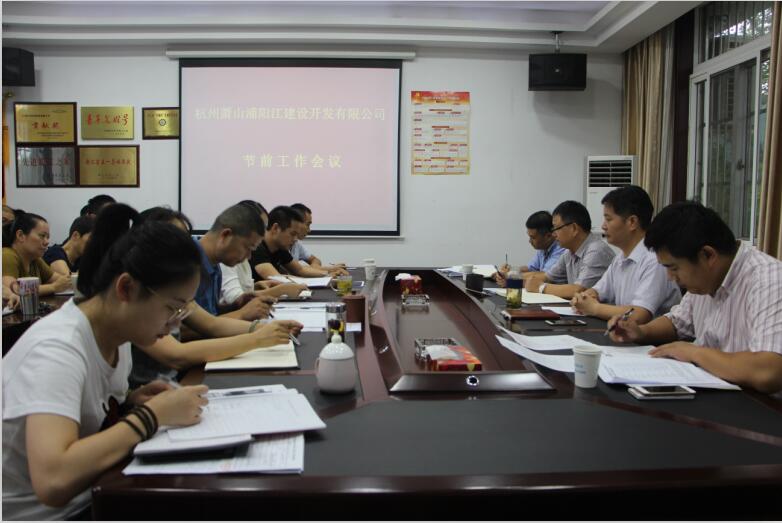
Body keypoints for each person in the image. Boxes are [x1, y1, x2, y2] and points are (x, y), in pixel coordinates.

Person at [2, 203, 208, 520]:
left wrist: (130, 402)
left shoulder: (116, 334)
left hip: (99, 491)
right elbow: (53, 481)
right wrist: (151, 416)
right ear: (126, 288)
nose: (175, 325)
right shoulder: (56, 349)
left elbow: (89, 410)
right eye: (172, 308)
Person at [608, 202, 782, 395]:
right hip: (718, 394)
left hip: (760, 406)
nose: (670, 277)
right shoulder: (703, 280)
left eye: (674, 268)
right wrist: (641, 332)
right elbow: (677, 323)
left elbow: (769, 371)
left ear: (708, 255)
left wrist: (694, 352)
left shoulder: (768, 280)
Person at [128, 206, 302, 388]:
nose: (187, 249)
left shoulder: (168, 285)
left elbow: (212, 324)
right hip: (156, 389)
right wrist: (257, 338)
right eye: (176, 243)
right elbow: (177, 354)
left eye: (185, 240)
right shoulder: (138, 294)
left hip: (168, 386)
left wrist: (264, 328)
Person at [570, 186, 680, 323]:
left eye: (609, 219)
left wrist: (594, 308)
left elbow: (638, 315)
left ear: (632, 222)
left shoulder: (654, 260)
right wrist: (585, 297)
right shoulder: (620, 258)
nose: (603, 226)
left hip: (650, 335)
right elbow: (598, 291)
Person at [220, 201, 306, 311]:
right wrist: (280, 291)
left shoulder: (242, 252)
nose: (264, 232)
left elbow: (240, 291)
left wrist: (255, 286)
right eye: (260, 228)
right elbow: (235, 299)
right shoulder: (225, 255)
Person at [525, 201, 615, 299]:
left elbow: (579, 290)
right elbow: (548, 277)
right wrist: (516, 279)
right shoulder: (569, 252)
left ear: (574, 228)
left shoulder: (596, 251)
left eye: (556, 228)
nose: (553, 234)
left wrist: (541, 287)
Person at [251, 206, 347, 280]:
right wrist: (327, 276)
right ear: (276, 228)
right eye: (292, 234)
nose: (295, 239)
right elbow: (276, 279)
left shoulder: (279, 248)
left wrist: (328, 275)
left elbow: (300, 270)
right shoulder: (257, 247)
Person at [2, 211, 71, 296]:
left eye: (47, 237)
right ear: (20, 235)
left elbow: (60, 280)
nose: (47, 242)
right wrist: (53, 287)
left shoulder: (35, 258)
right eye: (42, 236)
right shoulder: (7, 255)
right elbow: (12, 290)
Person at [495, 210, 566, 287]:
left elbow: (546, 275)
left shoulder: (561, 248)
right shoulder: (543, 248)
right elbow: (530, 268)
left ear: (548, 236)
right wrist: (511, 270)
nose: (529, 241)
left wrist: (511, 275)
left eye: (533, 237)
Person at [289, 203, 346, 272]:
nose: (309, 230)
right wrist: (330, 269)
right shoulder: (281, 247)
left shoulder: (296, 243)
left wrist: (315, 267)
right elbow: (298, 270)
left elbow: (315, 259)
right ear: (296, 223)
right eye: (307, 224)